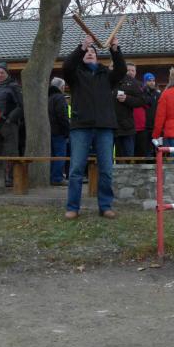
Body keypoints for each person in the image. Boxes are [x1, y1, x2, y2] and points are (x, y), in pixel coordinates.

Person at [62, 34, 127, 220]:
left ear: (97, 58)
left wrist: (115, 49)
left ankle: (105, 206)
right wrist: (82, 46)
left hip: (104, 127)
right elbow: (67, 66)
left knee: (106, 169)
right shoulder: (75, 75)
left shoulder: (106, 75)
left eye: (93, 52)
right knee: (76, 169)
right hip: (81, 126)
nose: (90, 53)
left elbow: (121, 70)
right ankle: (73, 208)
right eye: (87, 52)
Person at [0, 62, 23, 186]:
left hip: (8, 124)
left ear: (7, 73)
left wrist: (10, 119)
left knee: (11, 152)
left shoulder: (14, 86)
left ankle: (12, 179)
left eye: (2, 72)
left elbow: (21, 105)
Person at [113, 63, 145, 159]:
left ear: (135, 73)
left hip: (129, 126)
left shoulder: (137, 84)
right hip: (113, 125)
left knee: (130, 155)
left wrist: (127, 98)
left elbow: (142, 100)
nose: (130, 72)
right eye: (128, 70)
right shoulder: (113, 81)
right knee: (117, 155)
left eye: (132, 70)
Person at [48, 77, 70, 185]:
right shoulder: (60, 98)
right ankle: (57, 178)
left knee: (52, 155)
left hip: (49, 132)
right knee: (60, 155)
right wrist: (67, 131)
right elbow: (62, 116)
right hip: (59, 131)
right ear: (61, 87)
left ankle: (52, 176)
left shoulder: (48, 97)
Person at [138, 72, 160, 158]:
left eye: (153, 81)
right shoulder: (141, 93)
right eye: (149, 81)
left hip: (155, 126)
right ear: (145, 82)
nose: (152, 82)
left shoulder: (158, 94)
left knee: (156, 148)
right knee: (145, 149)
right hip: (144, 126)